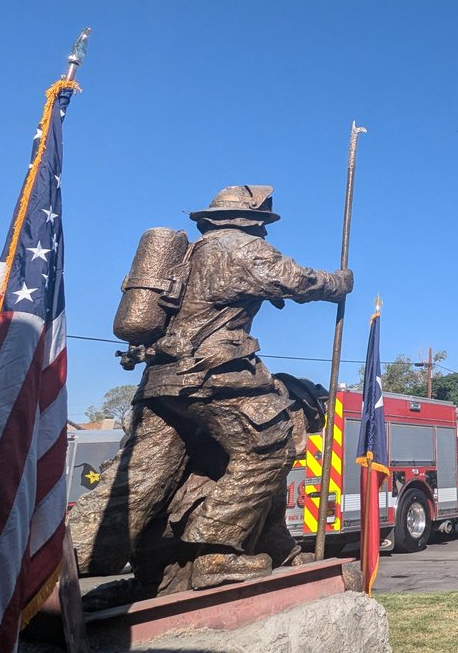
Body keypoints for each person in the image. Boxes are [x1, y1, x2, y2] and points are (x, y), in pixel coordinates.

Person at [68, 185, 353, 593]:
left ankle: (71, 555)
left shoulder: (186, 254)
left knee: (144, 473)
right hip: (213, 375)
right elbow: (297, 280)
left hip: (161, 379)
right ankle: (217, 554)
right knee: (268, 447)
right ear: (253, 220)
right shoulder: (240, 248)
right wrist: (340, 282)